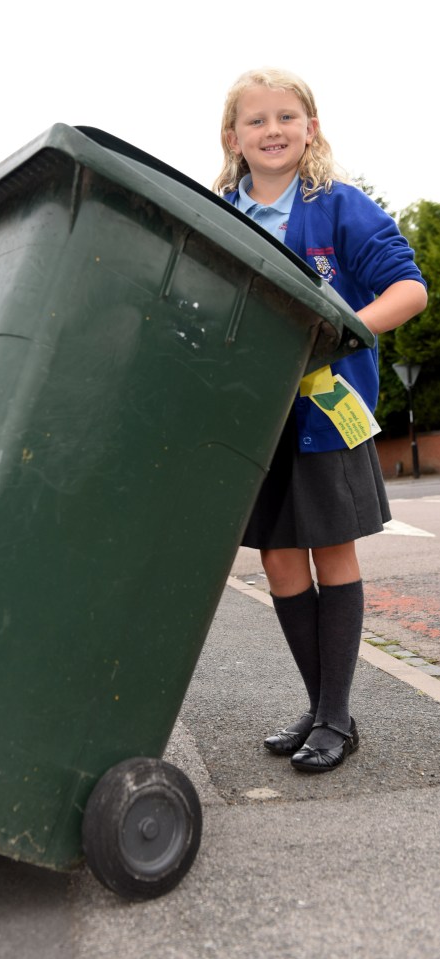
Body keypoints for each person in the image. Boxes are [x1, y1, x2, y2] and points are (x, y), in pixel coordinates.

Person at [213, 67, 427, 773]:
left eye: (285, 117)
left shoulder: (336, 205)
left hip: (325, 414)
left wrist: (337, 333)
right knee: (278, 559)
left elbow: (407, 289)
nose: (271, 130)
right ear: (233, 137)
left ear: (310, 128)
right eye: (255, 120)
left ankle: (335, 716)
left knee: (331, 551)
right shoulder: (221, 212)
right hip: (253, 422)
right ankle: (320, 704)